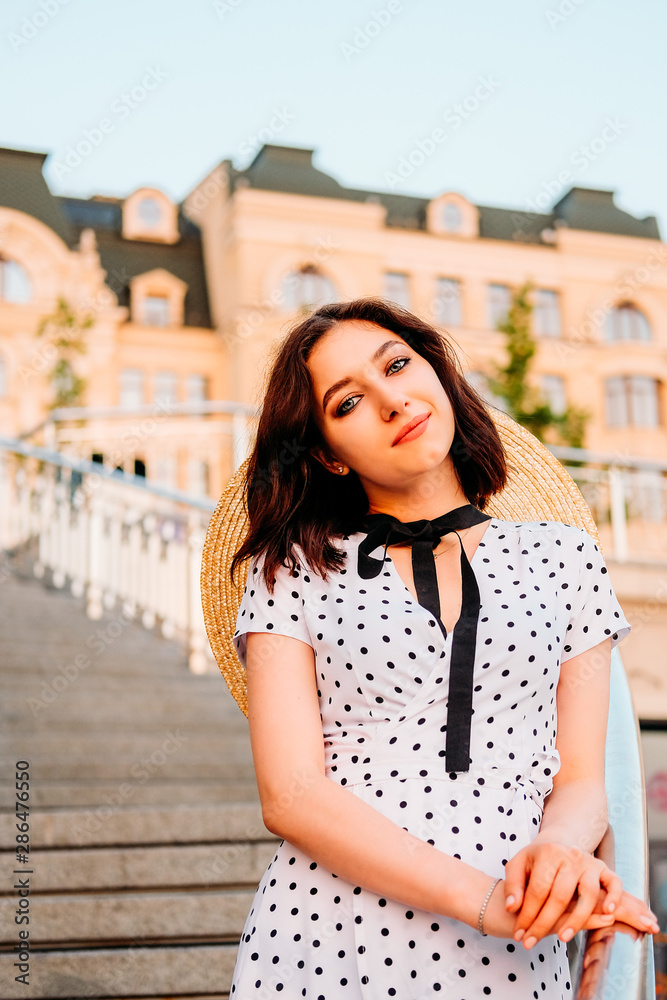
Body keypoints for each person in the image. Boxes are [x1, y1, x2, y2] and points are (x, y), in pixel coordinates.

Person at [225, 298, 658, 998]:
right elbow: (292, 793)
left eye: (398, 365)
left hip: (516, 941)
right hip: (327, 936)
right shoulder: (293, 569)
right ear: (327, 455)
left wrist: (557, 857)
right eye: (348, 402)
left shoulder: (565, 557)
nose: (393, 401)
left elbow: (581, 779)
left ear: (439, 374)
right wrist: (482, 901)